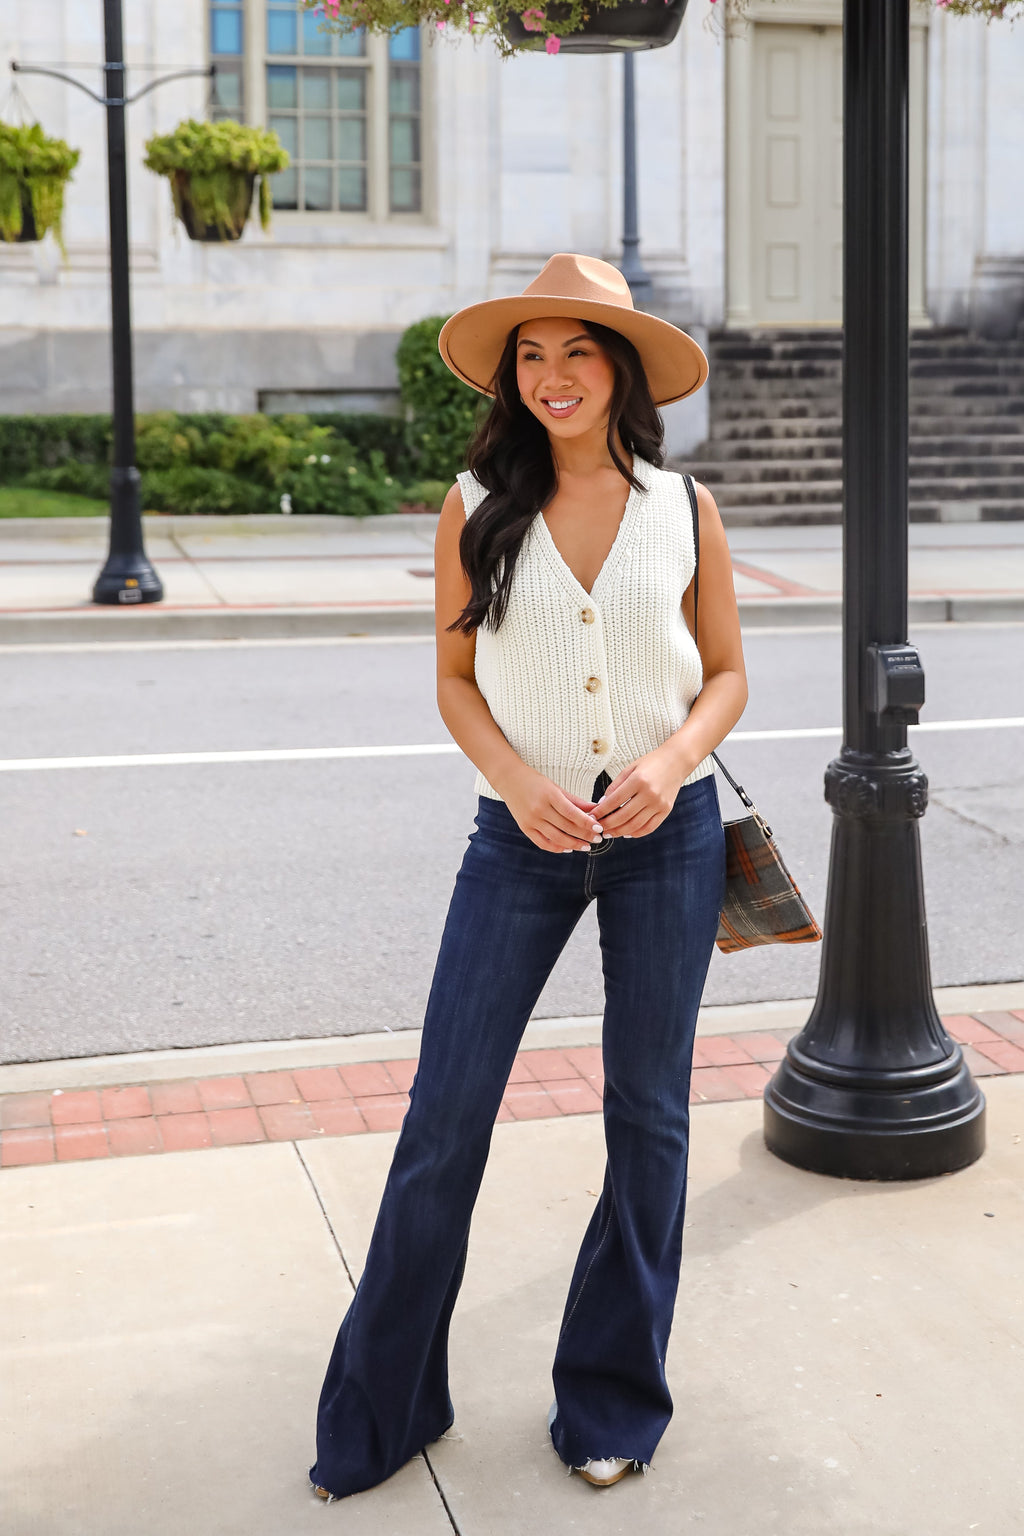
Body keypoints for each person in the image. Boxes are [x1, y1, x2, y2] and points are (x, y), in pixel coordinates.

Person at [309, 252, 747, 1500]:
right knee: (443, 1121)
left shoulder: (684, 506)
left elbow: (725, 673)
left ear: (620, 372)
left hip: (665, 839)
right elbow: (454, 683)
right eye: (533, 357)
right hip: (520, 845)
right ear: (513, 378)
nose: (553, 377)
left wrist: (667, 763)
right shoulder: (473, 504)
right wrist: (512, 781)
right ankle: (384, 1407)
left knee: (647, 1120)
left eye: (579, 352)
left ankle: (609, 1403)